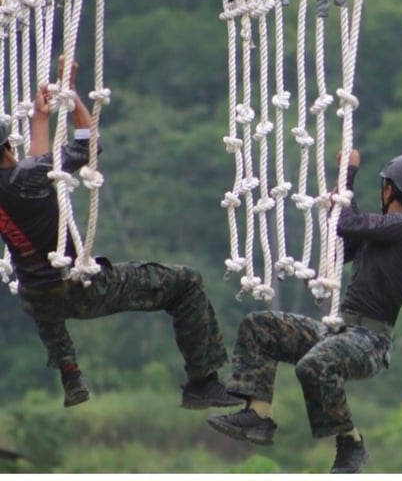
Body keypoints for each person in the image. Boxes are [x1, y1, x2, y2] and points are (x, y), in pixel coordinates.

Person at [0, 58, 241, 411]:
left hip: (38, 296)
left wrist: (41, 117)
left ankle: (70, 373)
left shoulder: (27, 178)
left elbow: (37, 164)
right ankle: (203, 381)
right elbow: (87, 144)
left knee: (42, 301)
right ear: (8, 146)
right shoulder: (30, 176)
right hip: (78, 289)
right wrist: (75, 98)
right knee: (187, 283)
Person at [207, 149, 402, 474]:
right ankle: (258, 415)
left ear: (389, 189)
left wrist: (348, 175)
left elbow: (349, 222)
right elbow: (345, 238)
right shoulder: (388, 229)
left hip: (370, 341)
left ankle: (351, 443)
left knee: (314, 365)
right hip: (339, 332)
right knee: (259, 326)